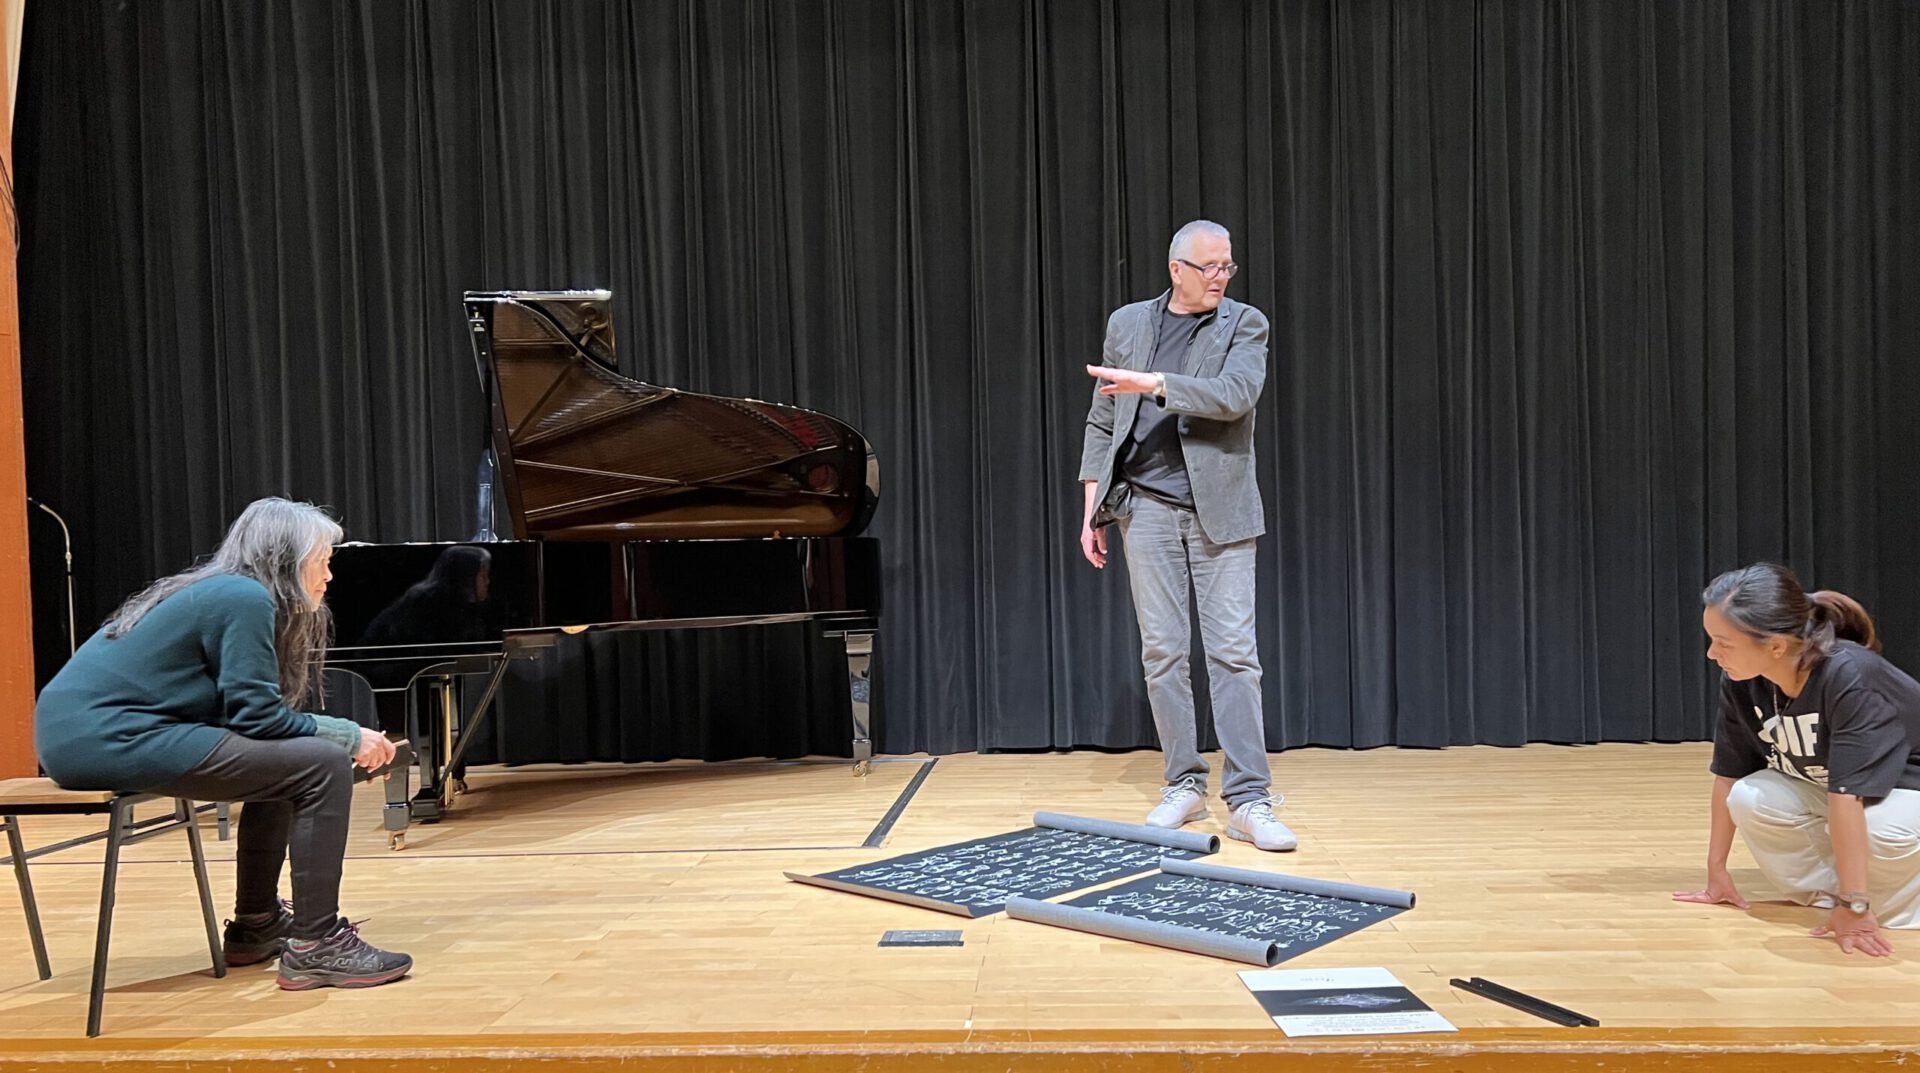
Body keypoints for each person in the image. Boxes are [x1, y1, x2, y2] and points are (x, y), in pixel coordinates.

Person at [34, 497, 414, 988]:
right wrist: (347, 736)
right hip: (109, 737)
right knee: (319, 763)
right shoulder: (243, 597)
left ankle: (257, 925)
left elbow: (255, 725)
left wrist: (338, 741)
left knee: (298, 763)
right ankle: (316, 944)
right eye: (323, 560)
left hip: (83, 737)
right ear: (289, 559)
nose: (329, 575)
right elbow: (258, 718)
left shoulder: (222, 592)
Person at [1078, 219, 1293, 852]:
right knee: (1163, 654)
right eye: (1211, 268)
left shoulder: (1243, 324)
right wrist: (1091, 508)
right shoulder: (1129, 324)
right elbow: (1101, 418)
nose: (1223, 278)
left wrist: (1156, 384)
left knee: (1233, 657)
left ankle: (1250, 798)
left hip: (1218, 513)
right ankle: (1184, 783)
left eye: (1228, 267)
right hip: (1143, 512)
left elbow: (1235, 395)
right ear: (1178, 269)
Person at [1676, 562, 1920, 956]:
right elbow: (1728, 775)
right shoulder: (1743, 681)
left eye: (1723, 642)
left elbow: (1847, 797)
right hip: (1845, 790)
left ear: (1774, 646)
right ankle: (1833, 897)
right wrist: (1716, 872)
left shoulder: (1849, 675)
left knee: (1878, 831)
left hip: (1906, 789)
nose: (1711, 653)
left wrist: (1855, 903)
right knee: (1750, 797)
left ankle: (1879, 906)